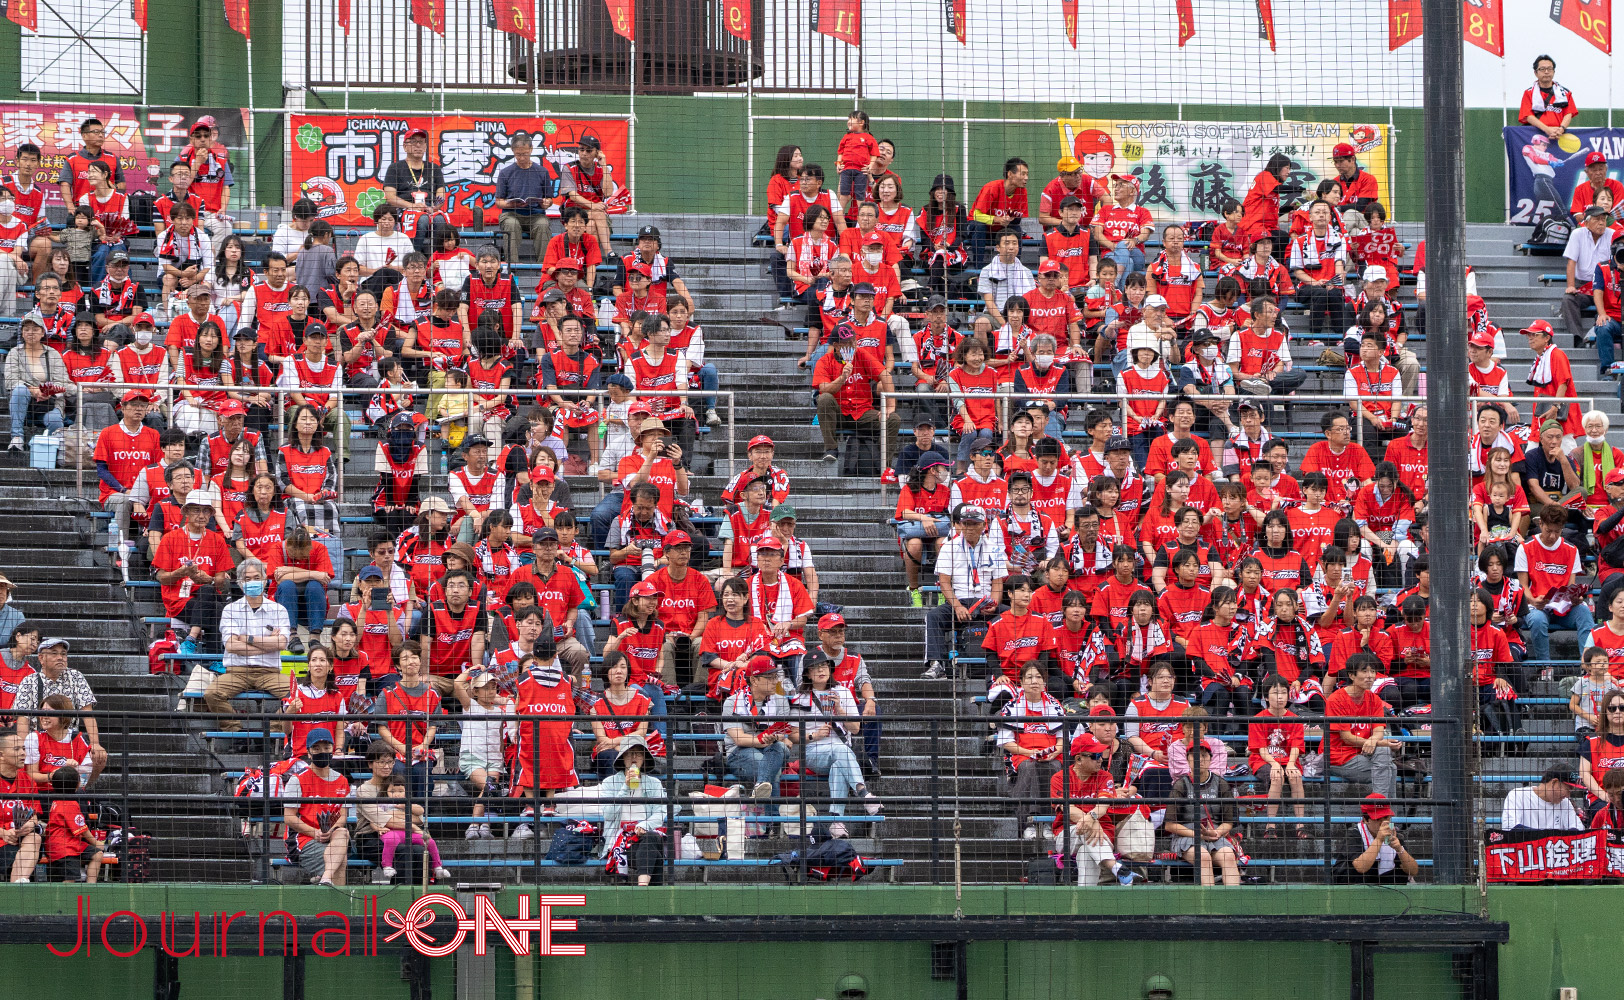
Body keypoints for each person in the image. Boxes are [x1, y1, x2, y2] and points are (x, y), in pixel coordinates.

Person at [792, 657, 881, 836]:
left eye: (824, 666)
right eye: (815, 668)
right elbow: (793, 735)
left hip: (841, 749)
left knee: (839, 762)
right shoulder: (799, 698)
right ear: (807, 674)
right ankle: (863, 794)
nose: (820, 670)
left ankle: (835, 820)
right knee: (842, 752)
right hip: (813, 751)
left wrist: (840, 710)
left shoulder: (844, 692)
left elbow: (856, 729)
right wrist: (814, 735)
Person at [203, 558, 292, 729]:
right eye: (247, 579)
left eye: (257, 578)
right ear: (240, 583)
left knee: (299, 695)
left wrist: (248, 639)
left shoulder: (279, 610)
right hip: (236, 671)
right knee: (212, 693)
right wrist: (267, 645)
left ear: (265, 580)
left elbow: (281, 643)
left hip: (270, 672)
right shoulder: (230, 609)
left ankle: (271, 730)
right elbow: (231, 646)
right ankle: (235, 731)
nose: (252, 582)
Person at [922, 504, 1008, 679]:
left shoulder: (994, 548)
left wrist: (993, 603)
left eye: (974, 524)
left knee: (1011, 616)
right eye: (965, 524)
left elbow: (998, 583)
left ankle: (1010, 663)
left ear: (984, 525)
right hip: (959, 601)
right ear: (960, 524)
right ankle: (937, 664)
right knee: (933, 617)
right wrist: (958, 606)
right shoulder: (949, 547)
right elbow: (944, 583)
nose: (969, 528)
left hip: (985, 601)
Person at [152, 489, 233, 654]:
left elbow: (220, 580)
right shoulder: (170, 538)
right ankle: (215, 658)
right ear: (187, 511)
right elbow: (161, 577)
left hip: (207, 597)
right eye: (196, 510)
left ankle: (191, 639)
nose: (201, 515)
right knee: (217, 609)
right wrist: (181, 573)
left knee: (208, 590)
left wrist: (208, 579)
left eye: (206, 511)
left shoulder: (217, 540)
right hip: (179, 602)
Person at [280, 728, 352, 886]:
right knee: (341, 860)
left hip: (333, 837)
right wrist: (315, 833)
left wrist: (329, 831)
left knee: (342, 831)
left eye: (327, 748)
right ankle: (338, 908)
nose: (322, 751)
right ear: (309, 752)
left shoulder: (342, 781)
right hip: (304, 839)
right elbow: (289, 817)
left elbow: (343, 816)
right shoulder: (297, 780)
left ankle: (325, 880)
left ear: (333, 749)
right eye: (317, 748)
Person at [1164, 743, 1241, 886]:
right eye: (1195, 756)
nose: (1200, 759)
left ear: (1211, 759)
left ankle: (1233, 902)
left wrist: (1216, 833)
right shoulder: (1181, 784)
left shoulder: (1221, 783)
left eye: (1204, 755)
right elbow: (1170, 825)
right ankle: (1209, 905)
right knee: (1203, 856)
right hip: (1186, 836)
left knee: (1228, 855)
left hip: (1215, 834)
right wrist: (1198, 835)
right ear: (1187, 759)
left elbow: (1228, 822)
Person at [1326, 654, 1401, 798]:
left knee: (1385, 758)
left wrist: (1374, 741)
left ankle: (1380, 815)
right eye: (1364, 671)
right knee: (1389, 768)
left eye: (1373, 671)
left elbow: (1378, 731)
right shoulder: (1336, 699)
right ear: (1352, 675)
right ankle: (1383, 816)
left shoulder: (1375, 699)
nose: (1370, 676)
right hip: (1340, 757)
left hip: (1366, 753)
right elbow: (1346, 738)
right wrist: (1379, 742)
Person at [596, 737, 669, 885]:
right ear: (623, 758)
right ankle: (650, 892)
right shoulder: (609, 783)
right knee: (655, 852)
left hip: (645, 835)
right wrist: (625, 787)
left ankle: (642, 887)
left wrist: (645, 825)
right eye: (630, 753)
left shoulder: (654, 783)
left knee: (651, 838)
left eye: (638, 753)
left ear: (644, 758)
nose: (634, 757)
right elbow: (608, 814)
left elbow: (661, 812)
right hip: (619, 840)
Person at [724, 654, 794, 799]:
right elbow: (740, 740)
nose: (775, 681)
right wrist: (763, 741)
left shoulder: (781, 701)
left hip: (773, 748)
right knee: (771, 767)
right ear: (754, 680)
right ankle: (773, 819)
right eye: (769, 678)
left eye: (776, 676)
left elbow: (782, 734)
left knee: (778, 749)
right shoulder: (732, 702)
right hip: (739, 752)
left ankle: (761, 789)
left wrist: (775, 739)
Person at [4, 311, 68, 450]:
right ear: (21, 333)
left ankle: (48, 448)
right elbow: (10, 380)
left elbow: (62, 381)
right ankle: (17, 438)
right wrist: (33, 391)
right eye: (26, 329)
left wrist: (47, 392)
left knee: (56, 420)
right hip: (22, 405)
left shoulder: (53, 354)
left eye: (35, 329)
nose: (30, 332)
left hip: (48, 403)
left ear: (42, 332)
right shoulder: (14, 353)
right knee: (20, 390)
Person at [1338, 793, 1418, 884]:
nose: (1383, 822)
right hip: (1356, 889)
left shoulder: (1395, 835)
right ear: (1365, 820)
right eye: (1378, 819)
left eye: (1386, 818)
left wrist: (1400, 849)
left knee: (1399, 872)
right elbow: (1361, 867)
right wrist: (1379, 840)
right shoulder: (1354, 834)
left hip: (1385, 887)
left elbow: (1413, 871)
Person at [1562, 207, 1613, 344]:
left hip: (1605, 287)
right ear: (1586, 222)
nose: (1601, 223)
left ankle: (1601, 337)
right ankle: (1577, 336)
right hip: (1582, 285)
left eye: (1603, 219)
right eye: (1597, 219)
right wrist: (1571, 286)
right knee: (1568, 299)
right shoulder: (1578, 234)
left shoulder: (1612, 235)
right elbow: (1571, 261)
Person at [0, 731, 42, 883]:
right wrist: (3, 833)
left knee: (35, 838)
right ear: (1, 755)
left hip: (19, 838)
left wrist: (30, 825)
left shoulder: (28, 781)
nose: (23, 753)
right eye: (17, 749)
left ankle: (18, 885)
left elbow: (34, 816)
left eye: (24, 748)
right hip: (2, 837)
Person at [1501, 766, 1584, 831]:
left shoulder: (1565, 802)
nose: (1567, 795)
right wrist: (1548, 837)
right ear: (1554, 782)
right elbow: (1509, 827)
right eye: (1567, 789)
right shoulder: (1517, 795)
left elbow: (1578, 828)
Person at [1519, 54, 1578, 139]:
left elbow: (1569, 113)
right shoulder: (1529, 93)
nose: (1546, 72)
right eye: (1542, 69)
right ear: (1535, 73)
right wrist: (1547, 130)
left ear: (1554, 71)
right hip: (1536, 138)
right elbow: (1528, 116)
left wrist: (1561, 129)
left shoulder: (1565, 93)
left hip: (1559, 136)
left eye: (1549, 69)